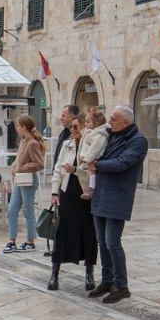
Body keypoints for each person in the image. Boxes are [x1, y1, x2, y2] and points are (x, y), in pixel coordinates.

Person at [87, 106, 148, 304]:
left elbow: (122, 163)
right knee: (101, 241)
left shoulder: (138, 141)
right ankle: (107, 280)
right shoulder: (110, 135)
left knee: (112, 242)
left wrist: (97, 165)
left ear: (126, 123)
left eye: (113, 119)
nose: (109, 122)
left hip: (118, 196)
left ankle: (121, 286)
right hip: (101, 193)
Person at [48, 115, 98, 291]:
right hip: (67, 192)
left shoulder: (92, 145)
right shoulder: (66, 145)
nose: (73, 130)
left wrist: (76, 170)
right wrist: (55, 191)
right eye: (71, 127)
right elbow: (57, 169)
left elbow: (92, 172)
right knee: (61, 233)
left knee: (88, 233)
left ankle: (89, 273)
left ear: (85, 127)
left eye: (76, 127)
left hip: (85, 194)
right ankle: (54, 274)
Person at [4, 114, 45, 253]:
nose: (16, 128)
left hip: (28, 180)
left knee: (28, 211)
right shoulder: (23, 141)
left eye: (17, 125)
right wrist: (15, 165)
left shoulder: (33, 143)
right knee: (12, 209)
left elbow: (39, 164)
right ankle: (12, 240)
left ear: (23, 127)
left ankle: (30, 241)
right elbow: (19, 158)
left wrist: (22, 167)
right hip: (20, 180)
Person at [77, 109, 108, 200]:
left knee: (92, 173)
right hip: (88, 157)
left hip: (94, 158)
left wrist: (88, 158)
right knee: (90, 173)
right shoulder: (90, 131)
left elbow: (96, 147)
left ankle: (91, 188)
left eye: (88, 122)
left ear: (96, 123)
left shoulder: (100, 134)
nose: (85, 124)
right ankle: (90, 188)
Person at [49, 104, 80, 175]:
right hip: (59, 174)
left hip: (70, 176)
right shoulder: (63, 133)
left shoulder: (77, 135)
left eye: (64, 116)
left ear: (72, 117)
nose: (61, 118)